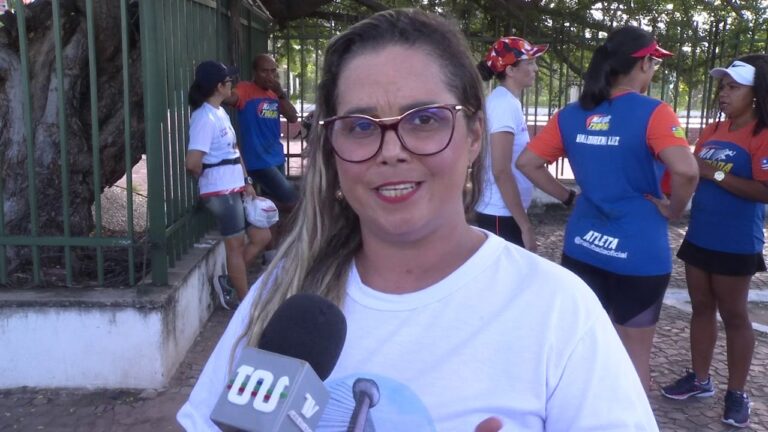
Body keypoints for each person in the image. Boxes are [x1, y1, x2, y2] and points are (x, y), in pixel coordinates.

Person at [178, 10, 658, 431]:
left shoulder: (559, 311)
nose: (392, 151)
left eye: (424, 119)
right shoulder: (285, 295)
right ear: (333, 150)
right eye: (362, 127)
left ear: (473, 136)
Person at [516, 26, 699, 393]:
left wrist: (570, 198)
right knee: (633, 367)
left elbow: (528, 163)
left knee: (582, 357)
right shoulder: (655, 112)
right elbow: (687, 169)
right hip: (638, 253)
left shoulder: (571, 114)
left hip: (583, 246)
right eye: (655, 62)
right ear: (645, 62)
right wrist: (673, 209)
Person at [660, 54, 768, 428]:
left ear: (755, 94)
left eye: (734, 87)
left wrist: (714, 174)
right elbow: (691, 172)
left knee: (735, 316)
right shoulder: (710, 130)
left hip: (737, 242)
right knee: (701, 308)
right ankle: (700, 379)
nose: (724, 93)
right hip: (701, 235)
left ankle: (736, 393)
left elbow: (764, 191)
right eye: (723, 86)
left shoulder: (762, 134)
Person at [184, 60, 271, 306]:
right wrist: (208, 176)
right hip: (220, 191)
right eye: (228, 81)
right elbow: (192, 162)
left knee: (261, 236)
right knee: (236, 245)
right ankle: (244, 303)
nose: (232, 83)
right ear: (218, 86)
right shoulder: (203, 118)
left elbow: (234, 150)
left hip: (235, 186)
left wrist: (246, 181)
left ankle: (232, 282)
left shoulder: (219, 112)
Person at [474, 36, 546, 250]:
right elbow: (501, 170)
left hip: (504, 213)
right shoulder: (504, 105)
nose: (536, 69)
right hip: (500, 215)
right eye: (530, 62)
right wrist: (525, 226)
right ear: (510, 70)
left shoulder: (505, 101)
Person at [226, 54, 300, 261]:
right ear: (254, 73)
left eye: (273, 71)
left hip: (276, 157)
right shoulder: (245, 89)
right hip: (257, 161)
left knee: (271, 207)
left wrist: (281, 93)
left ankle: (271, 256)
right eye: (264, 71)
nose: (269, 75)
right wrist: (220, 91)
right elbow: (231, 98)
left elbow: (293, 117)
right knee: (293, 201)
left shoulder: (274, 93)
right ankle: (299, 247)